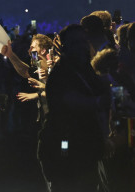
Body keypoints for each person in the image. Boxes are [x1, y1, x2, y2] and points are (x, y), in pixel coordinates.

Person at [37, 24, 111, 192]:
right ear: (65, 47)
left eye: (83, 41)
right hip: (64, 147)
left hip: (86, 146)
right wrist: (99, 102)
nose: (81, 46)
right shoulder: (61, 72)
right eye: (75, 42)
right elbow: (68, 100)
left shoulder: (87, 70)